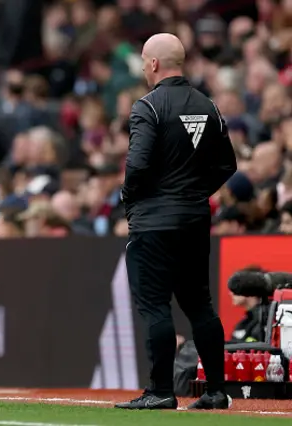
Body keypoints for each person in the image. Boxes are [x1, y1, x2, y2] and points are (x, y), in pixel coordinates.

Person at [115, 33, 237, 410]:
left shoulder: (147, 107)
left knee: (155, 306)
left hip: (153, 221)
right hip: (194, 218)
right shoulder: (209, 105)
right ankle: (217, 390)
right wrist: (194, 193)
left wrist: (129, 200)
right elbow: (227, 165)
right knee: (200, 304)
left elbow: (136, 165)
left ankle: (161, 390)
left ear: (152, 64)